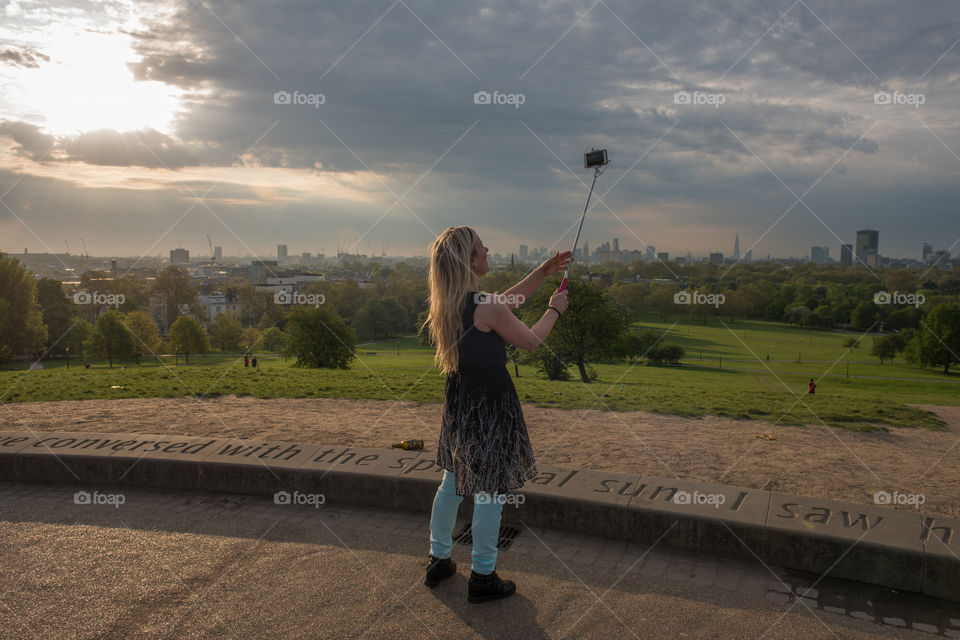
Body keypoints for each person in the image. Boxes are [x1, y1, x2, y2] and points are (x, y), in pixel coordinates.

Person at [422, 226, 570, 603]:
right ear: (471, 260)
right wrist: (555, 308)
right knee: (490, 492)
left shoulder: (450, 301)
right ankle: (483, 577)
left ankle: (438, 559)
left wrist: (542, 271)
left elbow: (505, 303)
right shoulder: (485, 304)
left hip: (460, 399)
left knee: (452, 482)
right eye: (481, 247)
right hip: (490, 400)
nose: (487, 249)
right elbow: (531, 340)